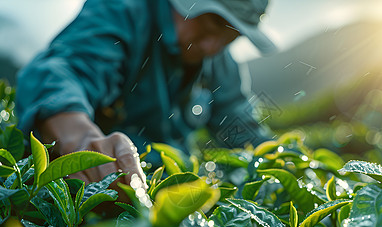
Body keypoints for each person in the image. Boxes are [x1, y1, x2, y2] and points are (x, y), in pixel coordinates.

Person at [15, 0, 276, 188]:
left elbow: (240, 126)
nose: (212, 46)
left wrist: (279, 167)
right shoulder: (124, 11)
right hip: (99, 192)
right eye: (213, 22)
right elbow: (64, 70)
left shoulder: (220, 63)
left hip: (165, 195)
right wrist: (81, 140)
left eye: (232, 35)